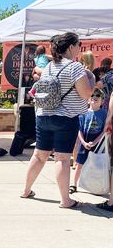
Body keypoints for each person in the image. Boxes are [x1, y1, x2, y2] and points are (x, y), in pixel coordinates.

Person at [21, 32, 93, 208]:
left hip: (43, 116)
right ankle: (65, 200)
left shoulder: (50, 66)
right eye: (78, 45)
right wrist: (91, 82)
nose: (79, 48)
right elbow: (86, 94)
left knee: (39, 155)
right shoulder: (75, 67)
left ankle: (26, 190)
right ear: (70, 47)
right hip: (66, 118)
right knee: (62, 159)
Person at [71, 88, 107, 192]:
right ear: (88, 99)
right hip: (85, 142)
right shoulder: (83, 113)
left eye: (98, 96)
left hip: (98, 143)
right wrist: (83, 142)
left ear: (102, 101)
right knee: (79, 164)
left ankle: (96, 186)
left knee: (97, 166)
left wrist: (95, 142)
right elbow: (80, 130)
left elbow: (104, 131)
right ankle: (74, 185)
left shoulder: (104, 114)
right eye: (92, 96)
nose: (95, 97)